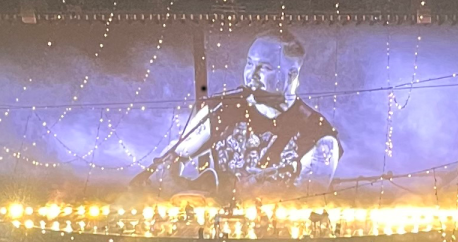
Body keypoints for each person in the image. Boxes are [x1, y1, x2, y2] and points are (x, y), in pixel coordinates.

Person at [143, 30, 341, 200]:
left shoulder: (319, 136)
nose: (251, 74)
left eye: (264, 67)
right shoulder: (220, 110)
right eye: (249, 63)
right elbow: (166, 165)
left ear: (292, 74)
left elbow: (306, 202)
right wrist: (188, 196)